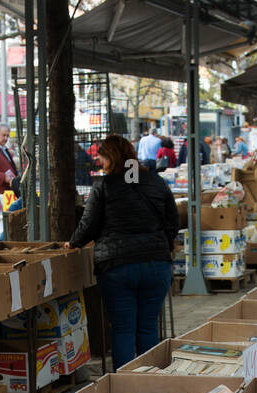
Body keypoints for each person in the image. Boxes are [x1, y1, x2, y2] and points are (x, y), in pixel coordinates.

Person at [66, 135, 177, 369]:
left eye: (102, 156)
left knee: (123, 329)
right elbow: (173, 221)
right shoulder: (156, 182)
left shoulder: (104, 187)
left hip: (117, 267)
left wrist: (74, 242)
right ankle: (149, 381)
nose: (99, 160)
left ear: (111, 157)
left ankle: (124, 390)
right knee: (148, 327)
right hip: (157, 264)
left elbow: (89, 224)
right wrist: (161, 246)